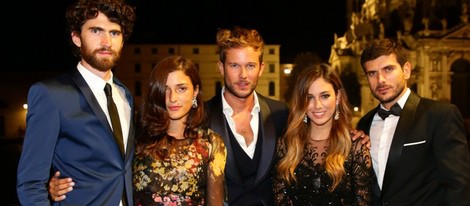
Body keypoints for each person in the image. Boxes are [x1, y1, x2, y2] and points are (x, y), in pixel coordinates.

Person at [16, 0, 136, 205]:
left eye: (114, 33)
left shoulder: (125, 96)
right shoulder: (50, 95)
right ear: (76, 37)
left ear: (123, 41)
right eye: (96, 31)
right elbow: (30, 184)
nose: (106, 41)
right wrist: (48, 190)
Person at [356, 38, 470, 205]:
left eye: (388, 69)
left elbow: (459, 186)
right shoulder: (364, 124)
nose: (380, 80)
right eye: (372, 73)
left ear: (406, 70)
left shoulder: (440, 116)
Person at [204, 27, 290, 206]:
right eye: (234, 65)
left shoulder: (280, 114)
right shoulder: (201, 117)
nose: (243, 75)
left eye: (250, 66)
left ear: (261, 68)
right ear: (221, 67)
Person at [132, 55, 227, 205]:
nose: (173, 98)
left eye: (181, 89)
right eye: (165, 89)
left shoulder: (211, 143)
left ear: (195, 91)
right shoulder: (137, 137)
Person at [273, 63, 372, 205]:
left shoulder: (356, 146)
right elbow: (280, 199)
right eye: (310, 97)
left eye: (324, 96)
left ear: (337, 97)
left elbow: (363, 201)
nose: (317, 105)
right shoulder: (286, 145)